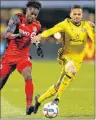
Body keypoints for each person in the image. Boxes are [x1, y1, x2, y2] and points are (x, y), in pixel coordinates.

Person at [32, 5, 94, 114]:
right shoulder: (65, 24)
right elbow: (52, 30)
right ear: (70, 15)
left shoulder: (87, 25)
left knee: (58, 85)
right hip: (65, 56)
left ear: (82, 15)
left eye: (79, 14)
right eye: (74, 14)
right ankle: (57, 99)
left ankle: (39, 100)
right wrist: (40, 36)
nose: (76, 16)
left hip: (78, 60)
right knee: (71, 68)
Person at [0, 0, 43, 115]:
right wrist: (16, 35)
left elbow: (34, 38)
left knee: (28, 75)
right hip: (9, 57)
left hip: (23, 57)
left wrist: (38, 45)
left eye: (35, 15)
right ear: (26, 11)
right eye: (31, 13)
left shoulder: (37, 25)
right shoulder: (17, 18)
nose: (32, 16)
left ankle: (29, 106)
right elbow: (7, 34)